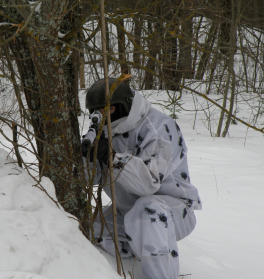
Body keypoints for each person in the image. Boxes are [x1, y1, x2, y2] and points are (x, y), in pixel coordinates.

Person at [83, 78, 202, 279]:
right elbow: (90, 179)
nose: (102, 116)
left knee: (148, 210)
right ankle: (131, 262)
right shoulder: (102, 130)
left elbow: (148, 183)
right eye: (97, 112)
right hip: (126, 212)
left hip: (172, 211)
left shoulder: (158, 128)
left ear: (123, 105)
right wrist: (88, 159)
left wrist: (112, 159)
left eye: (107, 110)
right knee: (87, 228)